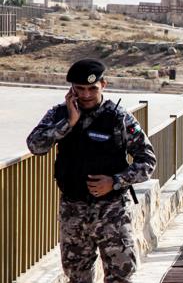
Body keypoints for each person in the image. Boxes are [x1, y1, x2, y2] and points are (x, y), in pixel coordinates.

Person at [26, 59, 156, 283]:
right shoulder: (59, 115)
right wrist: (69, 122)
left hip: (112, 212)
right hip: (73, 212)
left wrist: (115, 181)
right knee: (77, 277)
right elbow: (35, 145)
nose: (86, 95)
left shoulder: (119, 118)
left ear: (103, 85)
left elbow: (148, 161)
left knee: (121, 276)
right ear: (71, 90)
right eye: (80, 89)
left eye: (92, 89)